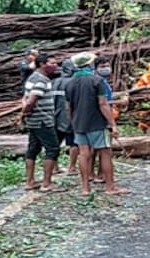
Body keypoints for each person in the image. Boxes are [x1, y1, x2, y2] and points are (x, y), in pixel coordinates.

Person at [65, 52, 129, 196]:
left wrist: (73, 122)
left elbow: (68, 107)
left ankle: (85, 188)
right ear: (90, 64)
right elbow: (103, 104)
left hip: (79, 124)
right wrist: (112, 124)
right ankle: (110, 187)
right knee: (105, 153)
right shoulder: (96, 81)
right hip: (97, 123)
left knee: (83, 154)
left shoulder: (69, 83)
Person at [18, 53, 63, 192]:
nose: (55, 65)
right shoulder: (41, 80)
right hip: (43, 120)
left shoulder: (32, 77)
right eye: (52, 63)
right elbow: (31, 100)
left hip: (34, 120)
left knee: (33, 149)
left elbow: (24, 98)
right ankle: (46, 183)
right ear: (42, 64)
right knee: (53, 149)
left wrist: (25, 115)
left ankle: (30, 181)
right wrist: (24, 113)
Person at [51, 58, 80, 175]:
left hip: (54, 116)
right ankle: (72, 167)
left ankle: (54, 167)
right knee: (73, 142)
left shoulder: (54, 82)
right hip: (70, 116)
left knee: (54, 143)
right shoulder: (74, 82)